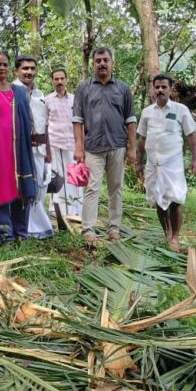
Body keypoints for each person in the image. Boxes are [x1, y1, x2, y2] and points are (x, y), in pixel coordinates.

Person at [73, 47, 137, 248]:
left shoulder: (123, 88)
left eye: (105, 60)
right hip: (92, 147)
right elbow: (77, 120)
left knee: (116, 188)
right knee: (92, 188)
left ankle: (114, 228)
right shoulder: (84, 88)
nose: (102, 63)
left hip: (117, 145)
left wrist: (133, 148)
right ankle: (89, 229)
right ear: (93, 64)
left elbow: (131, 119)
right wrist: (79, 147)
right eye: (98, 60)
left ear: (112, 63)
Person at [0, 50, 37, 243]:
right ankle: (4, 236)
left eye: (5, 64)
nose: (2, 68)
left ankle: (21, 233)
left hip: (19, 151)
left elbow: (29, 121)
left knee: (21, 188)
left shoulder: (18, 92)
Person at [136, 74, 196, 252]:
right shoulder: (147, 112)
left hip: (173, 163)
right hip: (153, 163)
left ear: (171, 89)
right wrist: (138, 163)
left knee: (175, 199)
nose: (160, 90)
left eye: (164, 87)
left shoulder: (181, 110)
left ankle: (175, 238)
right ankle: (167, 233)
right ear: (153, 90)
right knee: (158, 199)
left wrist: (195, 159)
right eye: (157, 87)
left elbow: (191, 137)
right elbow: (141, 139)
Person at [14, 55, 54, 239]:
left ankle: (38, 226)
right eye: (25, 68)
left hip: (39, 148)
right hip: (20, 148)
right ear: (17, 71)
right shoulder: (12, 91)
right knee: (24, 186)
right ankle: (25, 226)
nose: (29, 72)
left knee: (40, 187)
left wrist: (48, 153)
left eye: (32, 68)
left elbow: (45, 125)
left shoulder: (40, 95)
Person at [45, 68, 82, 223]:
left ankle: (77, 209)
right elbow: (45, 124)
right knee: (57, 179)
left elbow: (81, 122)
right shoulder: (47, 100)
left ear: (67, 79)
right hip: (55, 144)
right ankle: (57, 209)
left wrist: (82, 145)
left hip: (73, 144)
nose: (59, 82)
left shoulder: (75, 99)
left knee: (75, 178)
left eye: (62, 78)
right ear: (52, 81)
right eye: (56, 79)